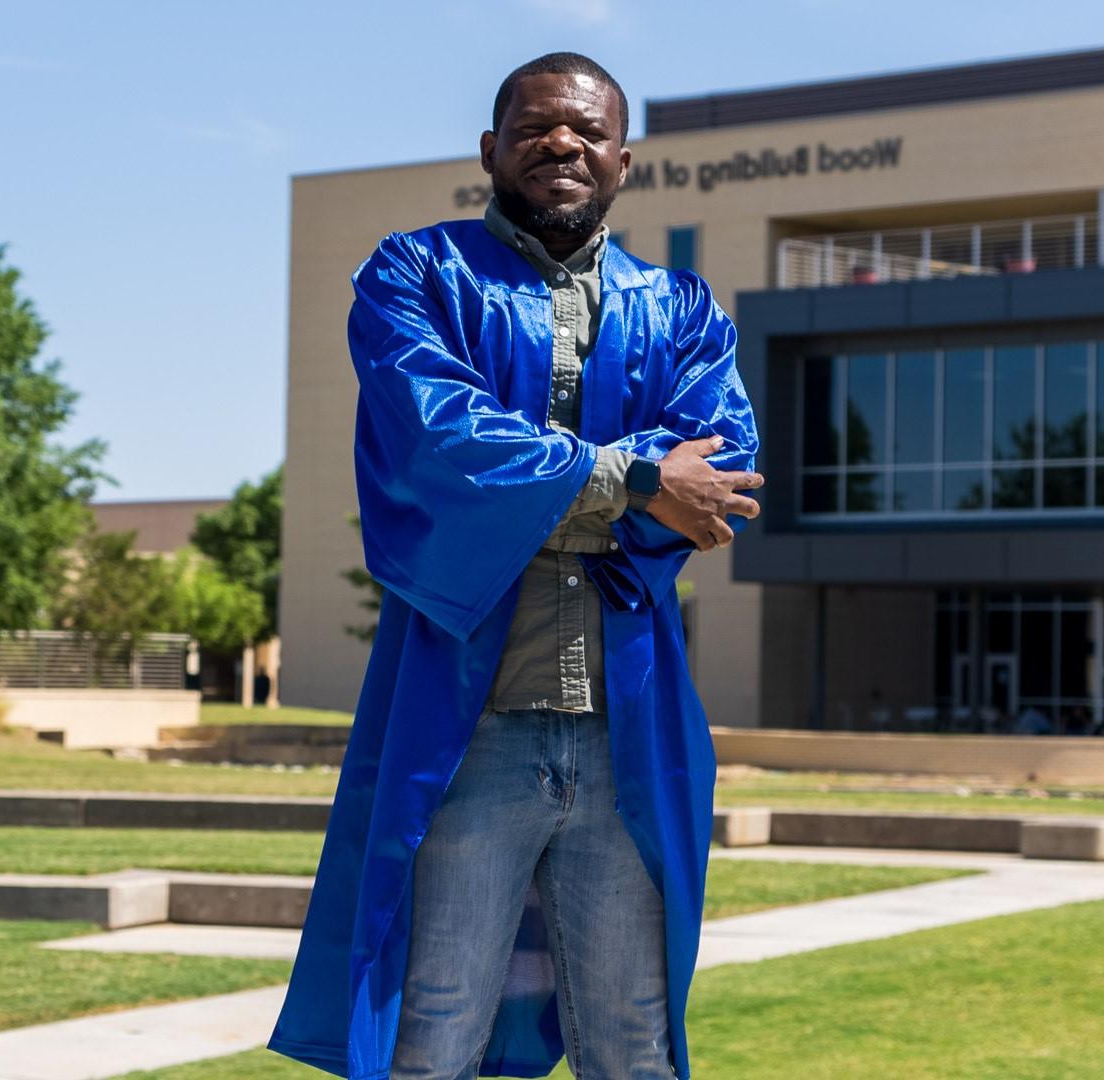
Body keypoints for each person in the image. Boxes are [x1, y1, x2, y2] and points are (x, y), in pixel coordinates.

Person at [269, 52, 761, 1080]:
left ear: (624, 161)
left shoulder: (680, 310)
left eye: (587, 131)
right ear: (491, 150)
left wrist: (531, 496)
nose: (562, 145)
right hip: (469, 731)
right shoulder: (416, 277)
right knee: (432, 1035)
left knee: (634, 1045)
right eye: (536, 128)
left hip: (627, 732)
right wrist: (629, 477)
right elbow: (437, 442)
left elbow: (719, 476)